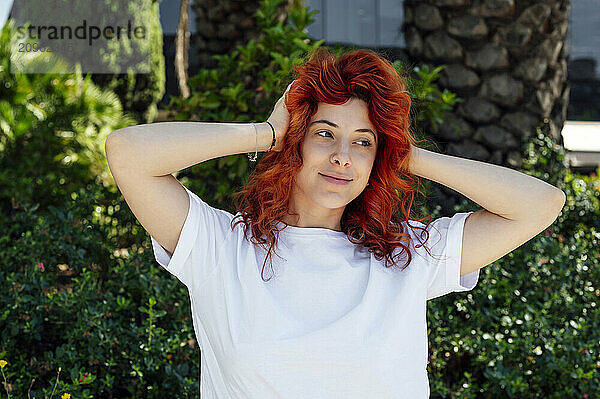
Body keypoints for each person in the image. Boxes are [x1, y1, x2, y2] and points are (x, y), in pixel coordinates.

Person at [105, 47, 566, 398]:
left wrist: (404, 152)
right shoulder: (221, 248)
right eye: (324, 134)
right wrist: (265, 133)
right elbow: (127, 155)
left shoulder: (408, 256)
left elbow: (540, 203)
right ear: (295, 143)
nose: (342, 157)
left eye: (363, 142)